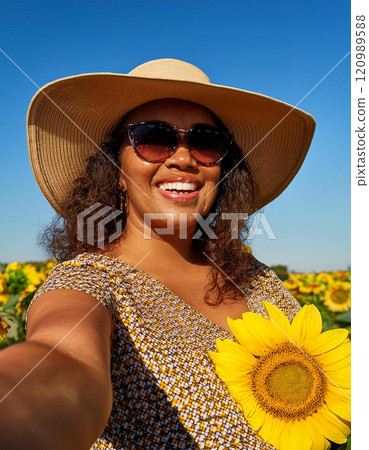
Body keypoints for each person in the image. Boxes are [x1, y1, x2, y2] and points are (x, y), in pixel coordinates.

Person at [0, 58, 315, 449]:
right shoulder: (91, 282)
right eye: (152, 138)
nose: (183, 159)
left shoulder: (255, 277)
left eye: (205, 142)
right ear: (116, 168)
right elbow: (61, 360)